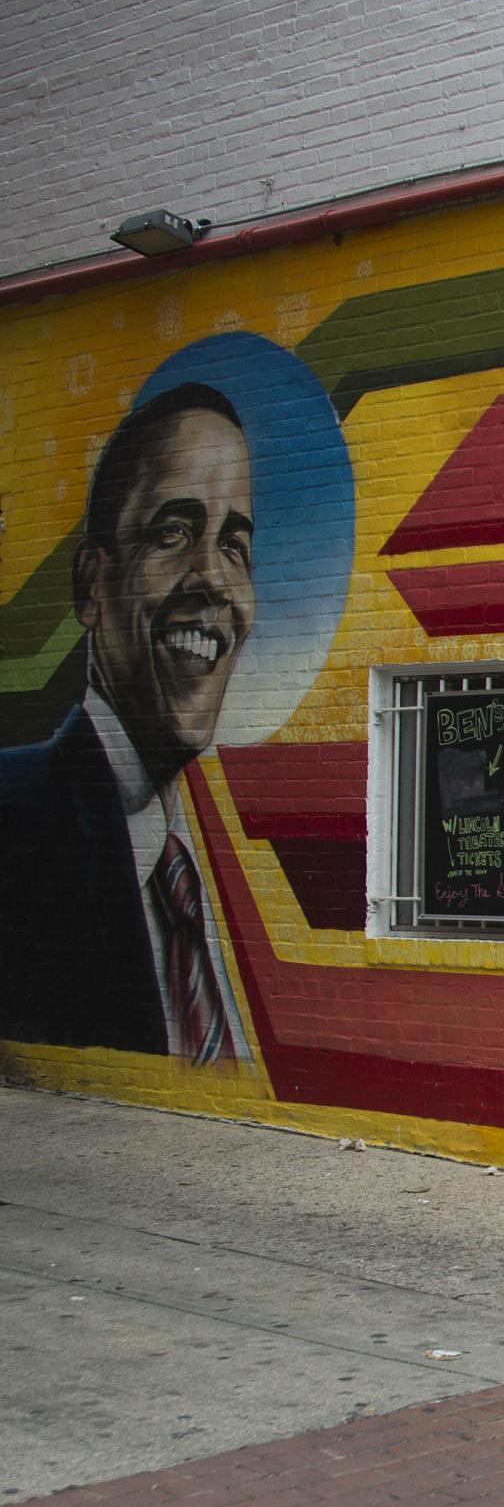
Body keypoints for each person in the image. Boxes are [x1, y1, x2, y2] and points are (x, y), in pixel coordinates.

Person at [0, 383, 256, 1058]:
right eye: (173, 532)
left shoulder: (199, 868)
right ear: (91, 583)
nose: (214, 580)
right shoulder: (17, 823)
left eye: (235, 545)